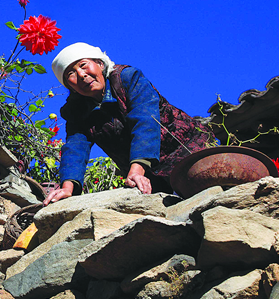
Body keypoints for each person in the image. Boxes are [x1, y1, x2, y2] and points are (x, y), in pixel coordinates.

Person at [43, 42, 215, 205]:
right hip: (148, 177)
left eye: (83, 65)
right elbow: (75, 147)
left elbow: (145, 120)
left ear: (100, 65)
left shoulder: (127, 79)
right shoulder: (76, 111)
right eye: (70, 74)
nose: (81, 75)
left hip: (187, 154)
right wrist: (67, 187)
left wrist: (137, 169)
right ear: (70, 87)